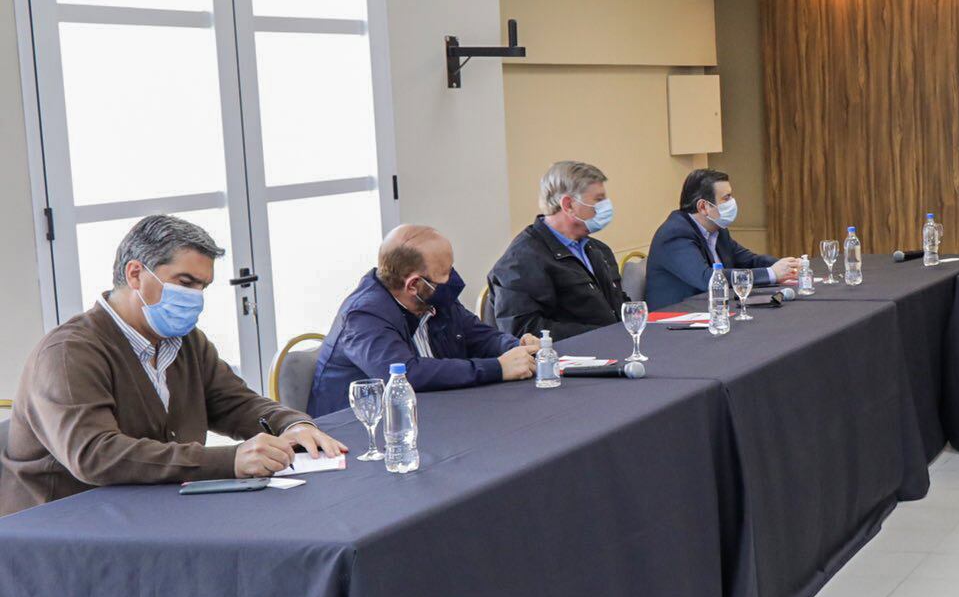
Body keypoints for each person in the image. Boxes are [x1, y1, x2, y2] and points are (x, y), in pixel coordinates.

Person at [1, 214, 347, 515]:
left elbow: (234, 402)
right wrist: (230, 460)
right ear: (136, 274)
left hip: (151, 511)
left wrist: (291, 425)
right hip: (58, 530)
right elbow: (95, 454)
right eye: (185, 283)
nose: (196, 297)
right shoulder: (69, 352)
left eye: (203, 287)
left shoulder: (184, 341)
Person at [307, 225, 538, 417]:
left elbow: (477, 334)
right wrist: (497, 368)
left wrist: (515, 348)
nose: (452, 279)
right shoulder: (363, 316)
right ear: (413, 285)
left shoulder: (432, 297)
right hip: (359, 431)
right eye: (445, 273)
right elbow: (407, 374)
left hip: (428, 413)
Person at [487, 160, 627, 341]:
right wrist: (600, 335)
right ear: (568, 205)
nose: (606, 206)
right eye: (598, 200)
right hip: (570, 361)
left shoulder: (598, 249)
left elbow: (618, 304)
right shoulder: (521, 261)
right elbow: (523, 330)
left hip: (613, 348)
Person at [646, 168, 800, 306]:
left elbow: (749, 260)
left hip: (713, 312)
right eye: (726, 198)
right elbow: (708, 279)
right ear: (703, 207)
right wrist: (771, 274)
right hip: (674, 324)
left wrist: (787, 266)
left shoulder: (717, 230)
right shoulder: (675, 234)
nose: (732, 202)